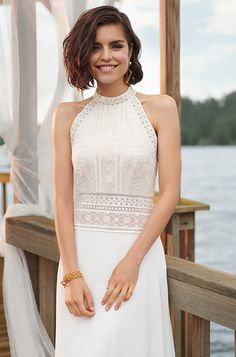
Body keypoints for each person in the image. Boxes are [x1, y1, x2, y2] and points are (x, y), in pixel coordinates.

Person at [52, 5, 181, 357]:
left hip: (136, 259)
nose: (106, 56)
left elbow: (169, 194)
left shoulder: (161, 108)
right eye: (95, 47)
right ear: (83, 54)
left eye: (116, 45)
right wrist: (72, 275)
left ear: (131, 51)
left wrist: (132, 262)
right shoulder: (67, 116)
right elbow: (63, 201)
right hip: (82, 262)